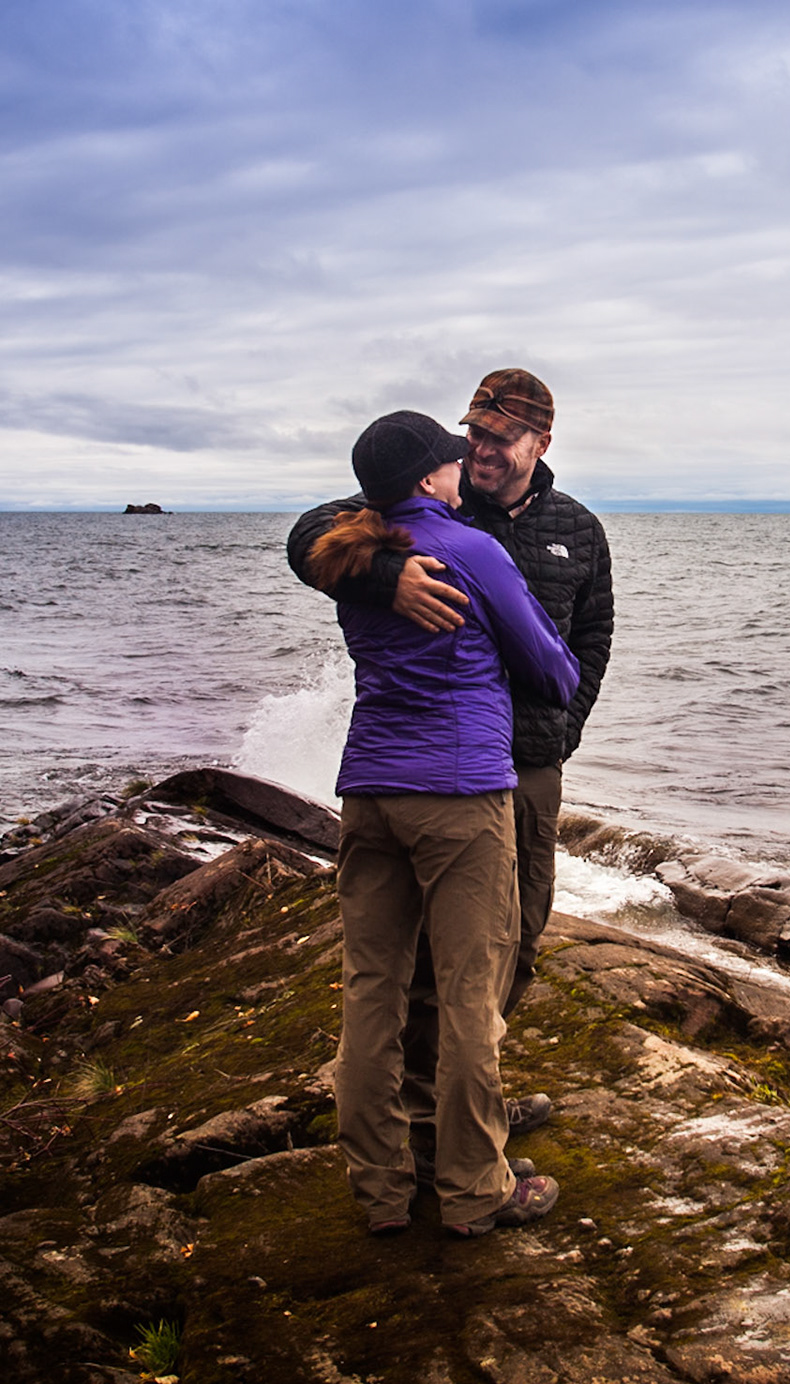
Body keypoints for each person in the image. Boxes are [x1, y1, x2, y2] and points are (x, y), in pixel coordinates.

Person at [287, 370, 615, 1183]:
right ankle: (444, 1131)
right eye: (472, 434)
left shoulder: (577, 529)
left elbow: (592, 637)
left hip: (522, 765)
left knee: (515, 943)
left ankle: (460, 1105)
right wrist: (386, 577)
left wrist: (563, 732)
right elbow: (308, 538)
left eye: (499, 438)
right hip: (458, 775)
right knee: (447, 972)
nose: (480, 450)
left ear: (541, 444)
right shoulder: (427, 510)